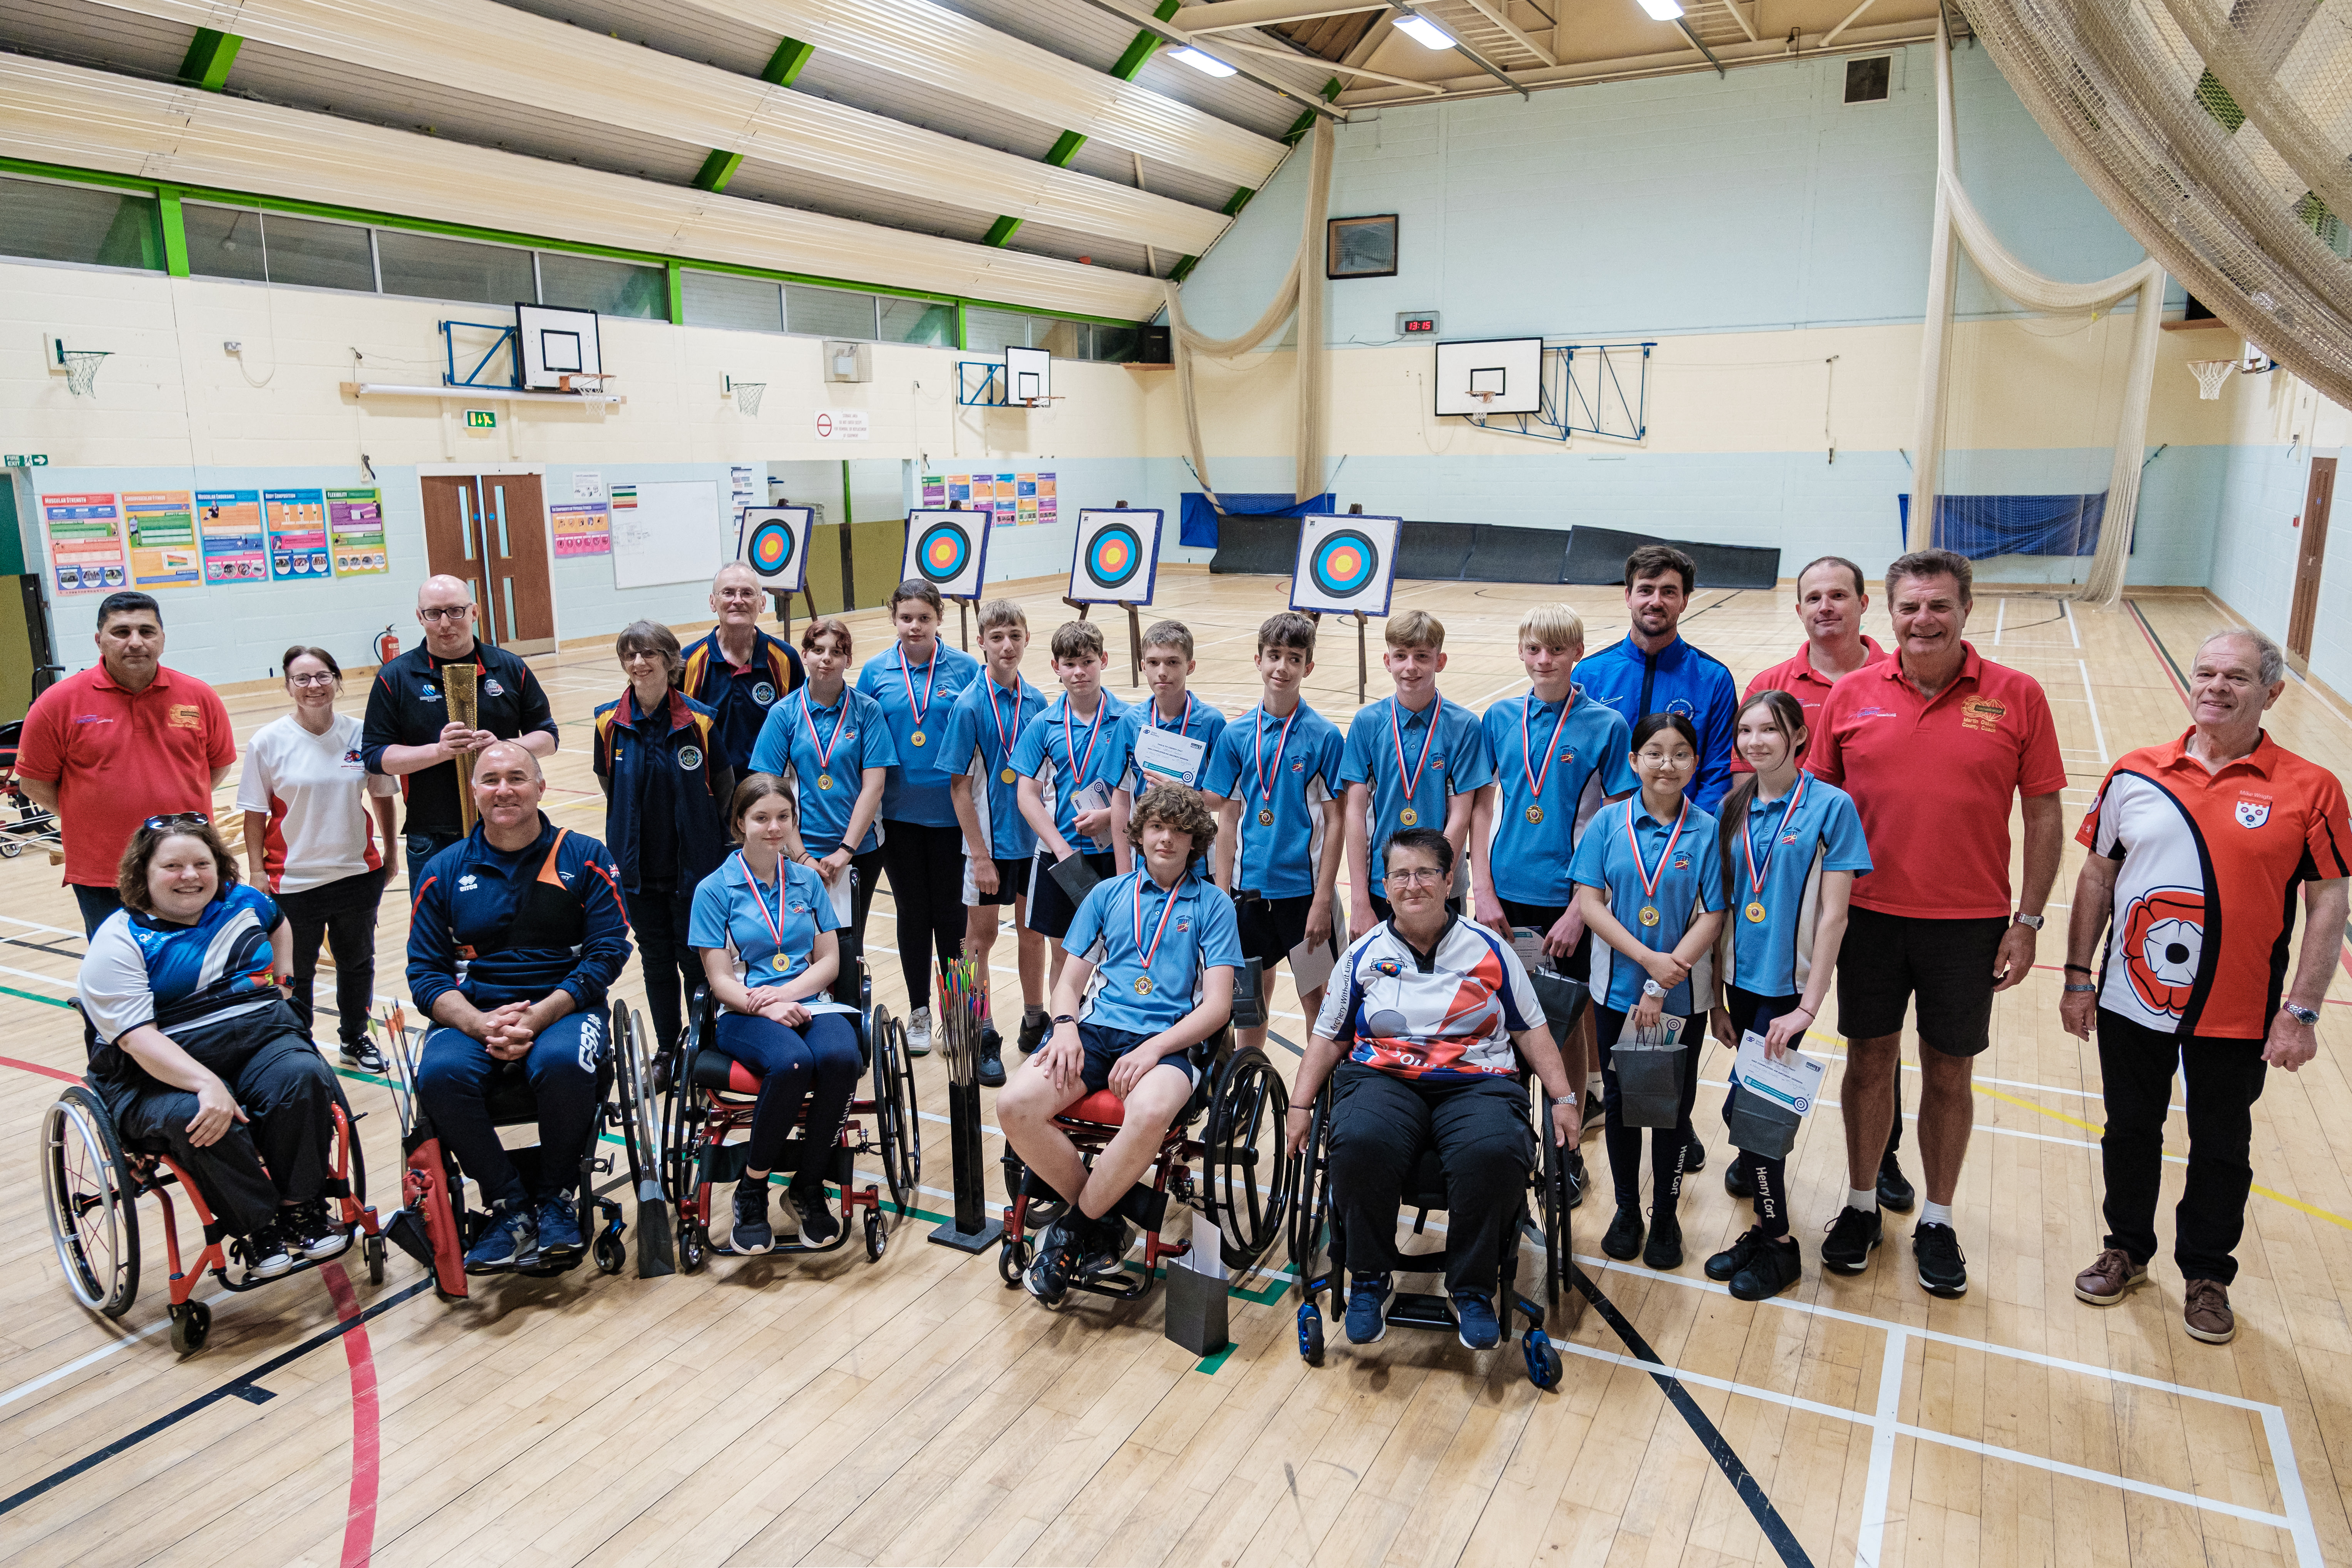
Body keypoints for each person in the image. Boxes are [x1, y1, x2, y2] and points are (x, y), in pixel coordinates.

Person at [2062, 628, 2349, 1345]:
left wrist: (2302, 1011)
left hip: (2238, 1010)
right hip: (2130, 1000)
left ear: (2271, 693)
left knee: (2221, 1143)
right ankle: (2125, 1248)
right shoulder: (2134, 773)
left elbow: (2328, 903)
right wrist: (2075, 977)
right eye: (2206, 673)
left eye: (2237, 678)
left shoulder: (2310, 788)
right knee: (2129, 1128)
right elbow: (2096, 875)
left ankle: (2207, 1274)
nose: (2216, 687)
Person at [1808, 548, 2066, 1299]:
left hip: (1969, 924)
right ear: (1889, 613)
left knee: (1951, 1072)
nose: (1924, 619)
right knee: (1868, 1062)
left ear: (1966, 610)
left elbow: (2044, 810)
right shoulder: (1852, 693)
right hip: (1867, 920)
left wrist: (2028, 919)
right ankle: (1861, 1204)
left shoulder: (2018, 696)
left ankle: (1940, 1217)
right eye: (1911, 606)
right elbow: (1816, 808)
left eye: (1939, 606)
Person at [1283, 828, 1578, 1351]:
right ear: (1384, 884)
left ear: (1449, 881)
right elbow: (1329, 1036)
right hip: (1383, 1078)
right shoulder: (1363, 954)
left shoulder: (1489, 949)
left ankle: (1471, 1290)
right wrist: (1301, 1104)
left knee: (1496, 1151)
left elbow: (1532, 1029)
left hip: (1476, 1083)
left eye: (1425, 873)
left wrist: (1564, 1098)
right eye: (1400, 874)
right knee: (1360, 1142)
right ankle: (1369, 1280)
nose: (1412, 884)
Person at [997, 782, 1240, 1307]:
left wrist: (1153, 1050)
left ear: (1196, 841)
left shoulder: (1214, 906)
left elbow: (1218, 1007)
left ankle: (1071, 1230)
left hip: (1170, 1043)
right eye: (1157, 828)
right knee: (1014, 1104)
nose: (1167, 840)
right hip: (1096, 1033)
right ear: (1139, 832)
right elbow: (1068, 982)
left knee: (1151, 1114)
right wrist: (1064, 1025)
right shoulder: (1108, 895)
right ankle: (1103, 1219)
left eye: (1179, 831)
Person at [78, 816, 343, 1279]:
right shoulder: (119, 940)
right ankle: (256, 1226)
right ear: (143, 873)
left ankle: (301, 1208)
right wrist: (207, 1083)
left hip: (258, 1040)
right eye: (172, 865)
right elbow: (138, 1039)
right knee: (197, 1115)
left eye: (202, 863)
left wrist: (284, 983)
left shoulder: (244, 902)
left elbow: (279, 923)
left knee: (301, 1075)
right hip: (155, 1066)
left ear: (219, 866)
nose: (190, 875)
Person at [410, 742, 632, 1275]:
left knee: (560, 1062)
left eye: (516, 778)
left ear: (540, 787)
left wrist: (540, 1017)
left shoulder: (585, 856)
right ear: (474, 793)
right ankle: (510, 1205)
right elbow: (425, 974)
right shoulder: (443, 870)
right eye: (490, 780)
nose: (503, 790)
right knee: (438, 1074)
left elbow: (609, 952)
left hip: (565, 1008)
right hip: (478, 1014)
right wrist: (478, 1022)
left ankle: (556, 1197)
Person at [1733, 555, 1909, 1212]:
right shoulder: (1772, 686)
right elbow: (1739, 791)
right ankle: (1756, 1150)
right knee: (1771, 1039)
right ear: (1798, 607)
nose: (1826, 605)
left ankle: (1881, 1157)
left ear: (1865, 603)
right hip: (1782, 907)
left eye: (1839, 594)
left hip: (1875, 896)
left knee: (1875, 1042)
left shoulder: (1898, 677)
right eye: (1814, 596)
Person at [1701, 690, 1870, 1300]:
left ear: (1799, 736)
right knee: (1740, 1114)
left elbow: (1834, 916)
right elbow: (1719, 903)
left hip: (1787, 992)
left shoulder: (1831, 807)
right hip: (1740, 986)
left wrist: (1807, 1005)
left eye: (1769, 730)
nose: (1755, 742)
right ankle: (1759, 1231)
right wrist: (1717, 996)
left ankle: (1779, 1246)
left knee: (1760, 1121)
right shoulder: (1732, 805)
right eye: (1746, 731)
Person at [1470, 603, 1635, 1154]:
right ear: (1521, 652)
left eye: (1557, 650)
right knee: (1502, 1015)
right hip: (1503, 901)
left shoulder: (1606, 726)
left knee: (1564, 1018)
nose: (1545, 660)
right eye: (1535, 649)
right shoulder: (1498, 719)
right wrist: (1484, 890)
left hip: (1568, 903)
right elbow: (1479, 809)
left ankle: (1574, 1121)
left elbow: (1613, 827)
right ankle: (1507, 1128)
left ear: (1578, 655)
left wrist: (1577, 911)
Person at [1570, 713, 1725, 1271]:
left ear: (1695, 762)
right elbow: (1590, 903)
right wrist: (1646, 962)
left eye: (1681, 753)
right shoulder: (1609, 824)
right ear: (1634, 761)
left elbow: (1714, 913)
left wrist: (1668, 974)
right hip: (1618, 996)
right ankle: (1627, 1210)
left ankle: (1665, 1215)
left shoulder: (1708, 830)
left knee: (1669, 1111)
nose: (1667, 764)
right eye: (1654, 753)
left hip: (1681, 999)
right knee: (1622, 1108)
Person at [690, 774, 862, 1252]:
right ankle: (751, 1188)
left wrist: (788, 994)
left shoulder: (808, 880)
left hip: (807, 999)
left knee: (842, 1059)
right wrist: (765, 1003)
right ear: (740, 822)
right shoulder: (714, 889)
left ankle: (807, 1188)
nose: (773, 827)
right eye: (761, 817)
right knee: (792, 1064)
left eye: (783, 817)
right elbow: (720, 979)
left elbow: (830, 961)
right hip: (745, 1011)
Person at [19, 591, 238, 935]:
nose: (135, 642)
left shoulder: (200, 697)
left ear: (162, 639)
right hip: (104, 873)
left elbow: (217, 768)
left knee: (194, 975)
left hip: (187, 871)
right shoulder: (57, 704)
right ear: (99, 640)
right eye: (121, 632)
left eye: (146, 631)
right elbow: (33, 783)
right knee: (121, 979)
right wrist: (88, 816)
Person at [235, 646, 400, 1071]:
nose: (314, 686)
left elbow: (383, 796)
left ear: (337, 680)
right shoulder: (268, 742)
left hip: (356, 873)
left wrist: (391, 853)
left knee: (357, 962)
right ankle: (300, 1046)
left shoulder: (362, 733)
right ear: (288, 685)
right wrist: (256, 872)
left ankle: (354, 1039)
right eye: (303, 678)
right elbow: (254, 816)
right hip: (293, 881)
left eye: (323, 676)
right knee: (297, 971)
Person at [1201, 612, 1346, 1064]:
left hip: (1302, 899)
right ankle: (1246, 1083)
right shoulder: (1236, 733)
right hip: (1248, 897)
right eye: (1275, 656)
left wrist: (1323, 899)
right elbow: (1227, 818)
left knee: (1317, 1000)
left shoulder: (1324, 735)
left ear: (1309, 667)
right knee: (1249, 1002)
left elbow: (1337, 821)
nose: (1283, 667)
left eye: (1295, 658)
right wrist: (1223, 895)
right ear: (1259, 660)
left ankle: (1321, 1093)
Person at [593, 621, 733, 1062]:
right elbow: (607, 782)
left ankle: (704, 1049)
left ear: (671, 660)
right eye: (630, 655)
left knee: (696, 962)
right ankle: (669, 1052)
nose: (638, 663)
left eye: (649, 653)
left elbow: (724, 790)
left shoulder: (702, 720)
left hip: (693, 870)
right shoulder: (607, 722)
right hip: (636, 872)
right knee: (655, 962)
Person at [363, 575, 558, 884]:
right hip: (432, 834)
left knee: (515, 926)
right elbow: (376, 757)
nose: (445, 623)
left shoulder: (509, 667)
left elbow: (548, 738)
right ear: (419, 617)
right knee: (438, 931)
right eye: (434, 613)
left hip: (511, 826)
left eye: (455, 611)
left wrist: (503, 748)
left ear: (474, 613)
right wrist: (439, 752)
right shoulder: (396, 678)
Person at [855, 580, 980, 1056]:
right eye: (906, 617)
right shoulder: (875, 672)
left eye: (923, 618)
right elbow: (864, 737)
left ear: (938, 620)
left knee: (951, 916)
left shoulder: (966, 668)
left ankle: (956, 1013)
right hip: (898, 816)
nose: (914, 626)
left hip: (953, 816)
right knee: (912, 914)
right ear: (894, 619)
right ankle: (920, 1011)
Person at [943, 600, 1050, 1087]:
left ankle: (1034, 1020)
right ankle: (981, 1030)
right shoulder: (968, 705)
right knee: (978, 941)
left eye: (1016, 636)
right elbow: (960, 788)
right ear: (981, 642)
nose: (1007, 645)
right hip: (988, 850)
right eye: (998, 636)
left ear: (1027, 641)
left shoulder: (1040, 703)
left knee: (1033, 934)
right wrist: (980, 856)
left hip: (1032, 846)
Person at [749, 616, 896, 967]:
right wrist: (801, 857)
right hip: (798, 850)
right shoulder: (783, 713)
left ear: (849, 660)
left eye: (837, 651)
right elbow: (768, 793)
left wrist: (846, 850)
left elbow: (874, 787)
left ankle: (844, 1016)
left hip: (859, 851)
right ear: (805, 655)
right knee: (799, 942)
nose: (826, 658)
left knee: (848, 945)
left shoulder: (867, 711)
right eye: (818, 650)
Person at [1340, 611, 1493, 935]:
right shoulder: (1367, 723)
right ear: (1387, 660)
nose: (1411, 667)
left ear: (1440, 661)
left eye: (1422, 657)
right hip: (1382, 884)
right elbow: (1354, 815)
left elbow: (1460, 816)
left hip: (1441, 882)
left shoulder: (1464, 726)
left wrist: (1434, 877)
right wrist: (1359, 901)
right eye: (1401, 656)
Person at [1573, 545, 1739, 812]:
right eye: (1646, 590)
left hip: (1684, 835)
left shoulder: (1714, 679)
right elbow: (1576, 763)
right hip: (1606, 830)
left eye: (1669, 592)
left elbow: (1718, 772)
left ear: (1685, 600)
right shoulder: (1588, 674)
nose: (1656, 601)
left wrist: (1695, 834)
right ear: (1629, 596)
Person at [1014, 620, 1131, 989]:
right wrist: (1062, 850)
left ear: (1104, 660)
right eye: (1069, 663)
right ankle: (1062, 1034)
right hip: (1060, 857)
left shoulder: (1130, 720)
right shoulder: (1043, 725)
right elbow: (1026, 795)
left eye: (1087, 661)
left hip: (1118, 852)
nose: (1079, 671)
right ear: (1056, 668)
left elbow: (1147, 794)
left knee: (1118, 952)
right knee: (1064, 954)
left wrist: (1112, 816)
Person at [1108, 619, 1228, 866]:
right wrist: (1123, 869)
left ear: (1190, 666)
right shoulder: (1131, 722)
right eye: (1154, 662)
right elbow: (1120, 800)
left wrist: (1182, 794)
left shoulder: (1212, 723)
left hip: (1197, 858)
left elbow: (1224, 799)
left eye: (1173, 662)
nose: (1162, 671)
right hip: (1145, 859)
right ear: (1143, 666)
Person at [682, 561, 806, 773]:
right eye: (728, 593)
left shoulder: (786, 658)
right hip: (710, 788)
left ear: (762, 603)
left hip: (768, 787)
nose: (738, 601)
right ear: (713, 602)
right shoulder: (687, 661)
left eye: (748, 593)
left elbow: (801, 727)